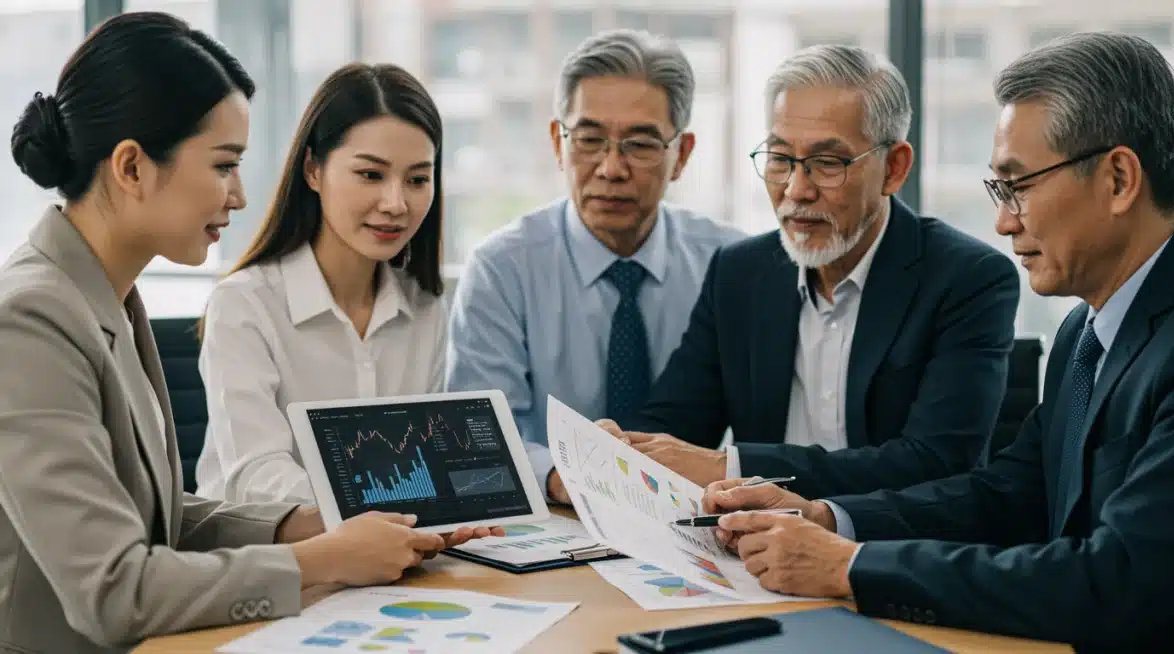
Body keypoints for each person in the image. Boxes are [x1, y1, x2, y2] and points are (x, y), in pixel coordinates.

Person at [0, 14, 497, 654]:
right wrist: (325, 557)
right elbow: (115, 591)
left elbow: (161, 517)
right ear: (132, 167)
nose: (238, 195)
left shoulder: (108, 297)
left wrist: (313, 524)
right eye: (224, 165)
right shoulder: (31, 318)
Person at [702, 32, 1174, 651]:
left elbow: (1117, 580)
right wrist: (828, 518)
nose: (1003, 221)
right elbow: (1010, 494)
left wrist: (849, 567)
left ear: (1119, 179)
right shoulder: (1086, 330)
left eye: (1018, 186)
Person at [603, 45, 1019, 497]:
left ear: (894, 168)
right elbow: (675, 426)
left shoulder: (967, 279)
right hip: (747, 534)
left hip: (883, 538)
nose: (796, 190)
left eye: (827, 164)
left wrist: (733, 466)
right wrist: (620, 448)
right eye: (780, 159)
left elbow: (935, 463)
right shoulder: (739, 273)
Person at [445, 29, 744, 503]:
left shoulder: (730, 264)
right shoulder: (502, 269)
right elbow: (477, 438)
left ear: (681, 154)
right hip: (553, 513)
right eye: (589, 140)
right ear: (557, 142)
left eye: (640, 145)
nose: (611, 168)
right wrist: (566, 476)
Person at [195, 62, 449, 504]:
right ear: (313, 170)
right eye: (371, 175)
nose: (396, 204)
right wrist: (373, 512)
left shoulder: (426, 307)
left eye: (417, 180)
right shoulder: (245, 304)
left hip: (396, 541)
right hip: (270, 542)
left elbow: (427, 464)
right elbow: (256, 475)